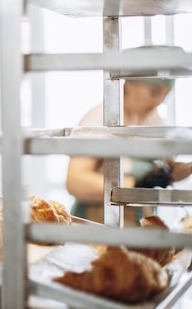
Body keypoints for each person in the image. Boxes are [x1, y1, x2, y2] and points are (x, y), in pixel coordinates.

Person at [66, 74, 192, 226]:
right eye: (155, 93)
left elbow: (169, 167)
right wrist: (136, 184)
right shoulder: (100, 119)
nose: (158, 102)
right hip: (99, 222)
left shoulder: (153, 119)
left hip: (136, 222)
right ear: (130, 84)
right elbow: (76, 182)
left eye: (166, 95)